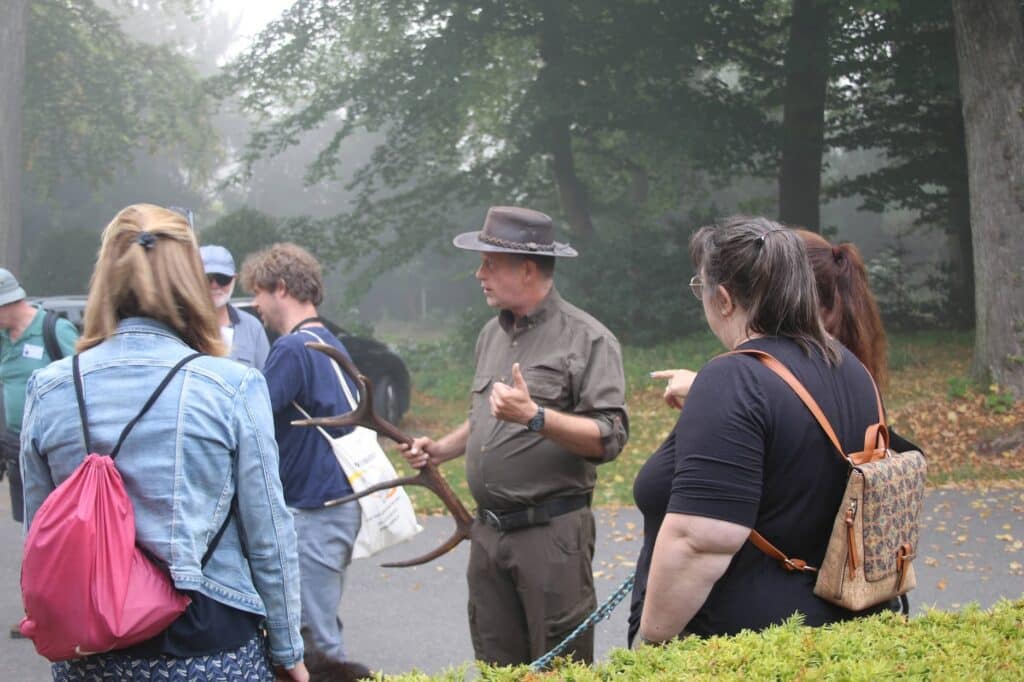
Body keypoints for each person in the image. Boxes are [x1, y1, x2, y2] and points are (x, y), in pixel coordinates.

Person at [20, 205, 308, 681]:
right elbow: (269, 535)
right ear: (191, 282)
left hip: (91, 646)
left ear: (105, 277)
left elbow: (41, 535)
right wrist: (287, 650)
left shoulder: (49, 388)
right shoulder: (231, 386)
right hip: (209, 643)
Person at [630, 216, 897, 647]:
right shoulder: (851, 369)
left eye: (700, 289)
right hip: (837, 633)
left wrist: (651, 640)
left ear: (722, 299)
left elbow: (700, 542)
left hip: (737, 645)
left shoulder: (734, 378)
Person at [400, 206, 629, 666]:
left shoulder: (588, 339)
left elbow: (610, 437)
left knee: (559, 667)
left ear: (527, 270)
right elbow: (488, 414)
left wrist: (537, 416)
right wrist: (442, 448)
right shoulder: (491, 334)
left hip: (552, 536)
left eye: (490, 263)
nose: (479, 273)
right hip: (488, 534)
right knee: (496, 664)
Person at [239, 243, 366, 671]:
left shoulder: (293, 349)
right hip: (336, 507)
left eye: (257, 292)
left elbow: (246, 419)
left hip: (313, 511)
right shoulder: (328, 341)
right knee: (317, 626)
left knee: (316, 639)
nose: (255, 305)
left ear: (279, 288)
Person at [200, 244, 271, 370]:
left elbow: (265, 381)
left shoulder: (253, 328)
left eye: (222, 279)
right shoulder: (181, 327)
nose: (215, 285)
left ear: (234, 279)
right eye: (207, 278)